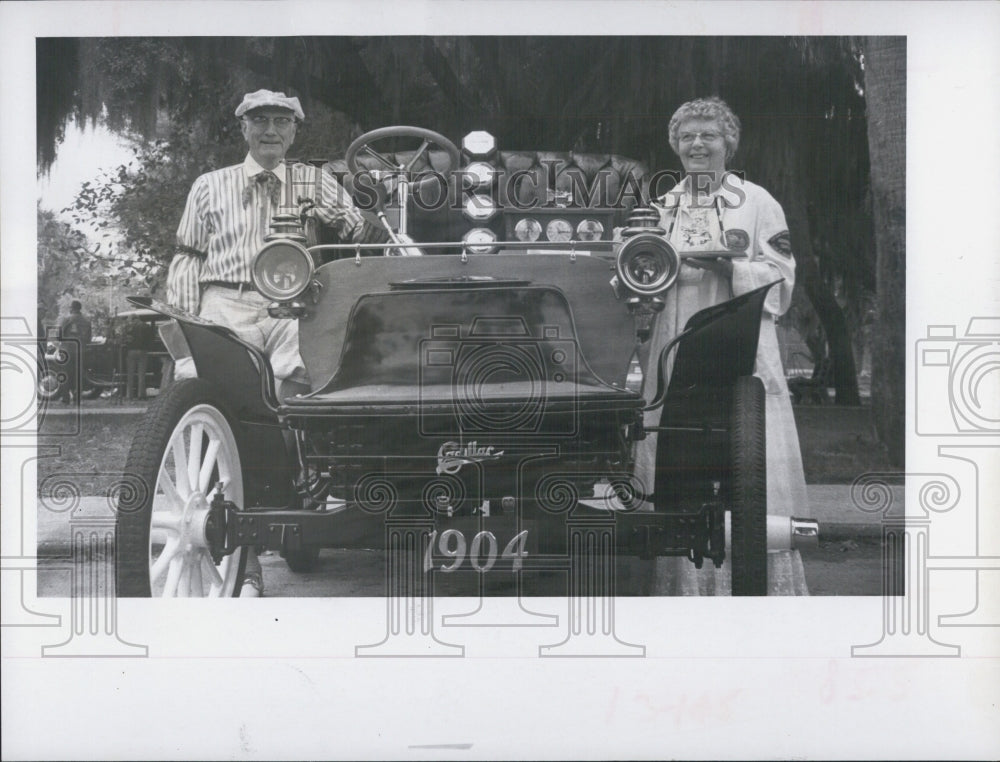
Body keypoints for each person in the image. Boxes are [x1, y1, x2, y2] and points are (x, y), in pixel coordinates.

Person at [165, 88, 385, 597]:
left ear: (293, 131)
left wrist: (353, 221)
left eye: (281, 122)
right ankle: (240, 544)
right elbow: (188, 257)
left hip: (294, 304)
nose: (270, 131)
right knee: (217, 400)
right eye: (260, 120)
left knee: (301, 391)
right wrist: (185, 329)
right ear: (242, 128)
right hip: (226, 301)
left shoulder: (314, 179)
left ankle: (300, 485)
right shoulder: (209, 186)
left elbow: (357, 232)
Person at [635, 96, 809, 520]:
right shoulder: (660, 208)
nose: (697, 144)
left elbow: (782, 276)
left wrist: (730, 268)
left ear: (728, 143)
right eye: (687, 136)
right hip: (677, 331)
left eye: (708, 135)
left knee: (744, 437)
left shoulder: (757, 202)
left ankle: (751, 548)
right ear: (675, 144)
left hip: (739, 329)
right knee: (676, 432)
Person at [58, 300, 92, 404]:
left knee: (65, 374)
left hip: (67, 350)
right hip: (81, 350)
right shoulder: (86, 321)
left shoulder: (67, 319)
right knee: (78, 374)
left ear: (72, 308)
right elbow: (89, 338)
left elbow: (59, 335)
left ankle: (65, 398)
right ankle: (77, 397)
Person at [121, 316, 155, 400]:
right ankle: (141, 395)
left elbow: (124, 340)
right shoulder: (145, 326)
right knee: (141, 374)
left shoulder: (128, 327)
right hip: (142, 351)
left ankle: (129, 395)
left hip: (131, 351)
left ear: (132, 319)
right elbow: (151, 339)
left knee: (130, 374)